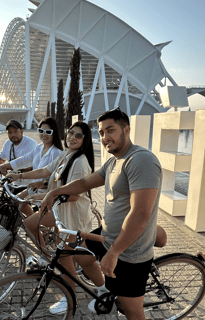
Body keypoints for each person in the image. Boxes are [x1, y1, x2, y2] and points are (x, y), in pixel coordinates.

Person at [40, 107, 163, 320]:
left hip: (129, 251)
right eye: (101, 132)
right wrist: (55, 192)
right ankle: (104, 289)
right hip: (107, 235)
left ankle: (117, 296)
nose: (105, 137)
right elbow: (86, 182)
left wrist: (113, 253)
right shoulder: (115, 161)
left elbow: (141, 214)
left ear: (127, 130)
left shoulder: (140, 160)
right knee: (76, 251)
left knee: (132, 312)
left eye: (111, 130)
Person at [7, 121, 95, 314]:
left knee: (71, 257)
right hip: (59, 212)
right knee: (77, 256)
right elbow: (45, 171)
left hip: (72, 215)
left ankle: (70, 296)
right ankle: (103, 285)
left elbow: (75, 195)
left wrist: (47, 195)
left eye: (78, 135)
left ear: (85, 140)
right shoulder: (66, 154)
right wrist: (18, 176)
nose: (72, 137)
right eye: (71, 132)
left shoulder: (80, 162)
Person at [0, 117, 63, 217]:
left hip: (48, 191)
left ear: (54, 132)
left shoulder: (56, 153)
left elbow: (59, 177)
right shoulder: (39, 148)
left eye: (48, 131)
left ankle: (34, 227)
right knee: (16, 201)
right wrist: (4, 166)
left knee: (52, 225)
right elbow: (23, 160)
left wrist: (43, 183)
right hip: (35, 188)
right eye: (41, 131)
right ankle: (33, 227)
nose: (44, 134)